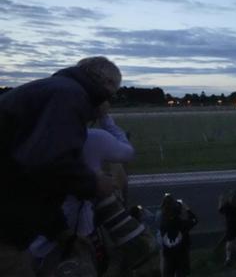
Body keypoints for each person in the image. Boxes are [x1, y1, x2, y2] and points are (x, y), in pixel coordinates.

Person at [0, 56, 121, 276]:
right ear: (105, 83)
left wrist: (59, 231)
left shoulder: (58, 91)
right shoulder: (70, 96)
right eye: (112, 93)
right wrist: (94, 183)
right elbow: (48, 162)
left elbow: (34, 178)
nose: (108, 102)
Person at [28, 111, 135, 274]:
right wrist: (106, 118)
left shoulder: (32, 143)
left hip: (38, 242)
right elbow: (128, 152)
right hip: (80, 234)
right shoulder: (94, 138)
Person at [159, 199, 197, 277]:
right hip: (182, 255)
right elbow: (194, 220)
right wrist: (187, 209)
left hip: (168, 255)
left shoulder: (163, 224)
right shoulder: (182, 224)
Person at [218, 190, 236, 265]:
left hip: (230, 225)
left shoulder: (227, 204)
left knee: (229, 241)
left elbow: (220, 210)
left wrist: (220, 200)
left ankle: (228, 257)